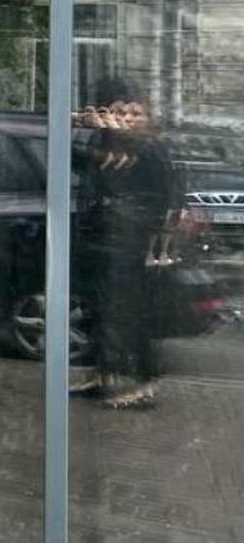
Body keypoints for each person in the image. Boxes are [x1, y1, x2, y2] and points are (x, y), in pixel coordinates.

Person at [73, 79, 180, 409]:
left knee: (132, 313)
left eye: (135, 114)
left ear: (148, 118)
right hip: (105, 237)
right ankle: (104, 373)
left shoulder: (150, 149)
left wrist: (156, 245)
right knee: (101, 309)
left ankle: (145, 384)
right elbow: (83, 166)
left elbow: (165, 196)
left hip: (134, 242)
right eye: (121, 113)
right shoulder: (108, 144)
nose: (127, 119)